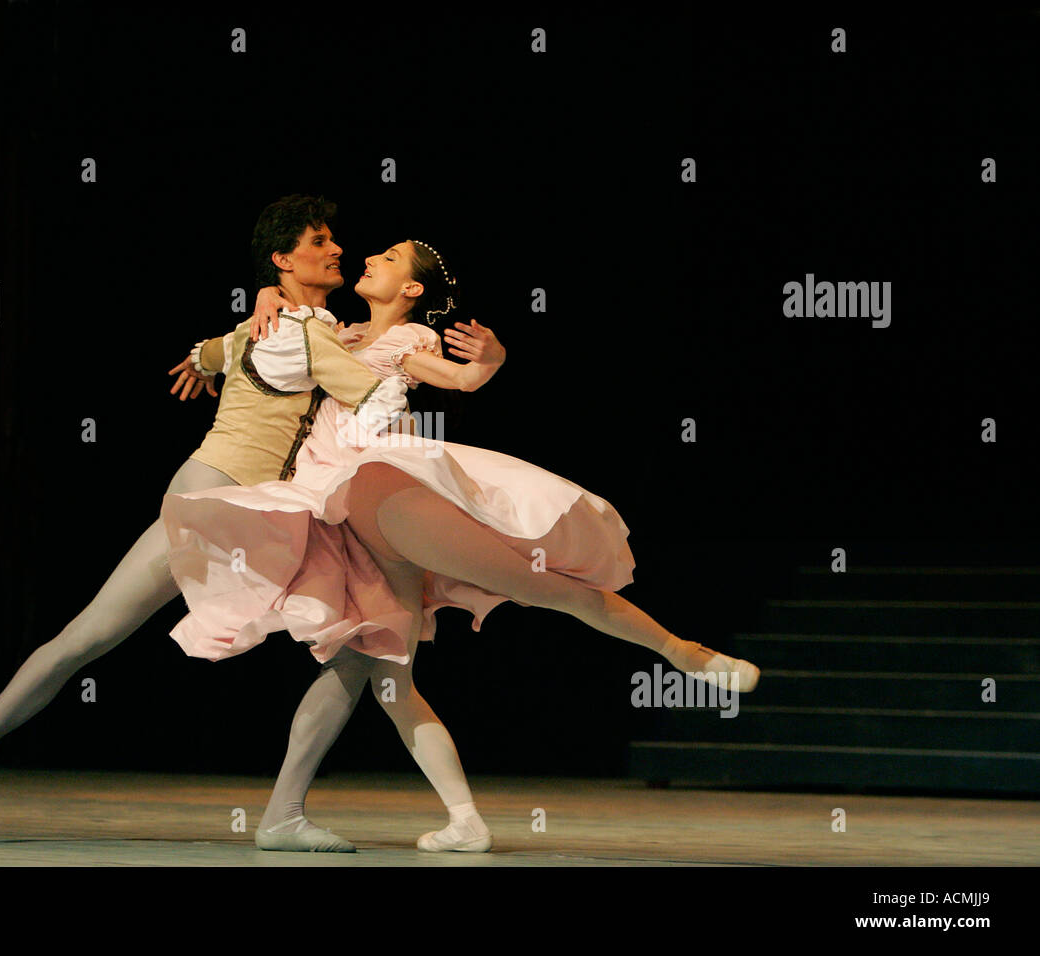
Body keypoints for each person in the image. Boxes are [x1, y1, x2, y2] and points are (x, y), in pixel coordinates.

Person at [0, 196, 495, 842]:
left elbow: (205, 355)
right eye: (320, 241)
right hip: (233, 505)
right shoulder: (308, 333)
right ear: (284, 257)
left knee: (90, 638)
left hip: (229, 501)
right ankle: (284, 815)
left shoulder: (266, 328)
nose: (338, 250)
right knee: (349, 645)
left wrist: (240, 326)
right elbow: (375, 388)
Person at [161, 238, 761, 851]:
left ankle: (684, 653)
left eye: (389, 260)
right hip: (346, 521)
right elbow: (266, 333)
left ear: (413, 289)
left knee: (541, 587)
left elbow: (463, 377)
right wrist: (262, 297)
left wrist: (490, 361)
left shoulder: (405, 343)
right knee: (390, 677)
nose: (368, 259)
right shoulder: (335, 334)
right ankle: (463, 820)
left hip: (385, 497)